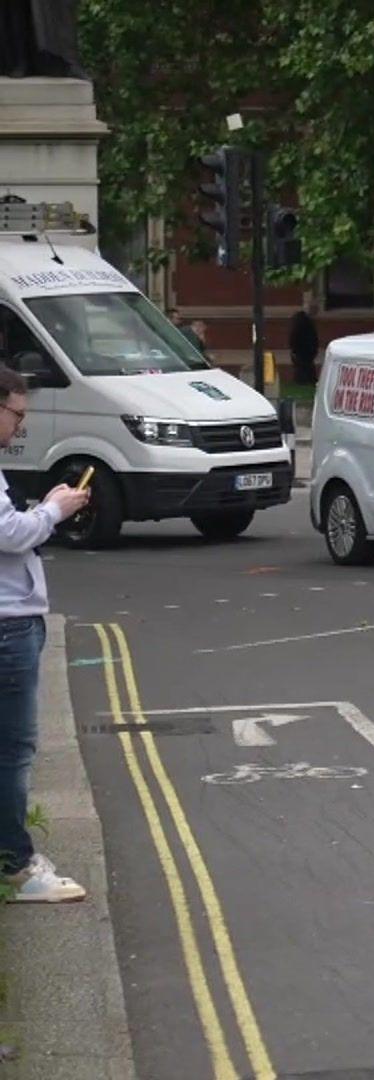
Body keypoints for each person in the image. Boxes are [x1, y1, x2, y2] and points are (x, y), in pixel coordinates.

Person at [0, 368, 90, 902]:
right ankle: (16, 865)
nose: (20, 426)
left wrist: (41, 510)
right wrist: (54, 512)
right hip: (8, 625)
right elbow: (8, 534)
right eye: (16, 414)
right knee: (14, 750)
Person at [289, 303, 319, 385]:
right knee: (303, 368)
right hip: (303, 350)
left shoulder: (304, 321)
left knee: (304, 368)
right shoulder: (303, 322)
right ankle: (304, 382)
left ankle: (305, 382)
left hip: (305, 350)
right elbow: (296, 337)